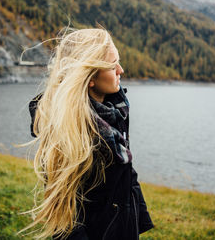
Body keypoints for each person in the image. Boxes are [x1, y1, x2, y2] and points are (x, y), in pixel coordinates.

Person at [19, 28, 154, 240]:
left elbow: (126, 172)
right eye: (112, 65)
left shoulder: (112, 111)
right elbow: (65, 218)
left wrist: (138, 223)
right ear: (89, 77)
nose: (121, 70)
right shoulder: (71, 131)